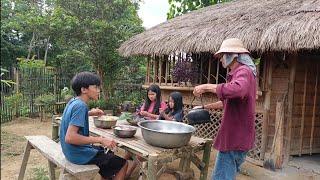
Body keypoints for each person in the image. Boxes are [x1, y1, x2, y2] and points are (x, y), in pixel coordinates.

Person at [192, 38, 256, 180]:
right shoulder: (240, 73)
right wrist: (205, 107)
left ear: (232, 56)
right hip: (236, 138)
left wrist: (207, 86)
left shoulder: (243, 71)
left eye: (222, 57)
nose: (220, 60)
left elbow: (238, 89)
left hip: (234, 138)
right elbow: (227, 101)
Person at [59, 72, 128, 180]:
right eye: (95, 87)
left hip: (70, 152)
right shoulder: (81, 106)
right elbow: (70, 137)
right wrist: (100, 139)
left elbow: (70, 117)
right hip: (78, 154)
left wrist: (91, 113)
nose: (98, 90)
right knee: (123, 164)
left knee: (107, 153)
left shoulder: (73, 101)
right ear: (84, 89)